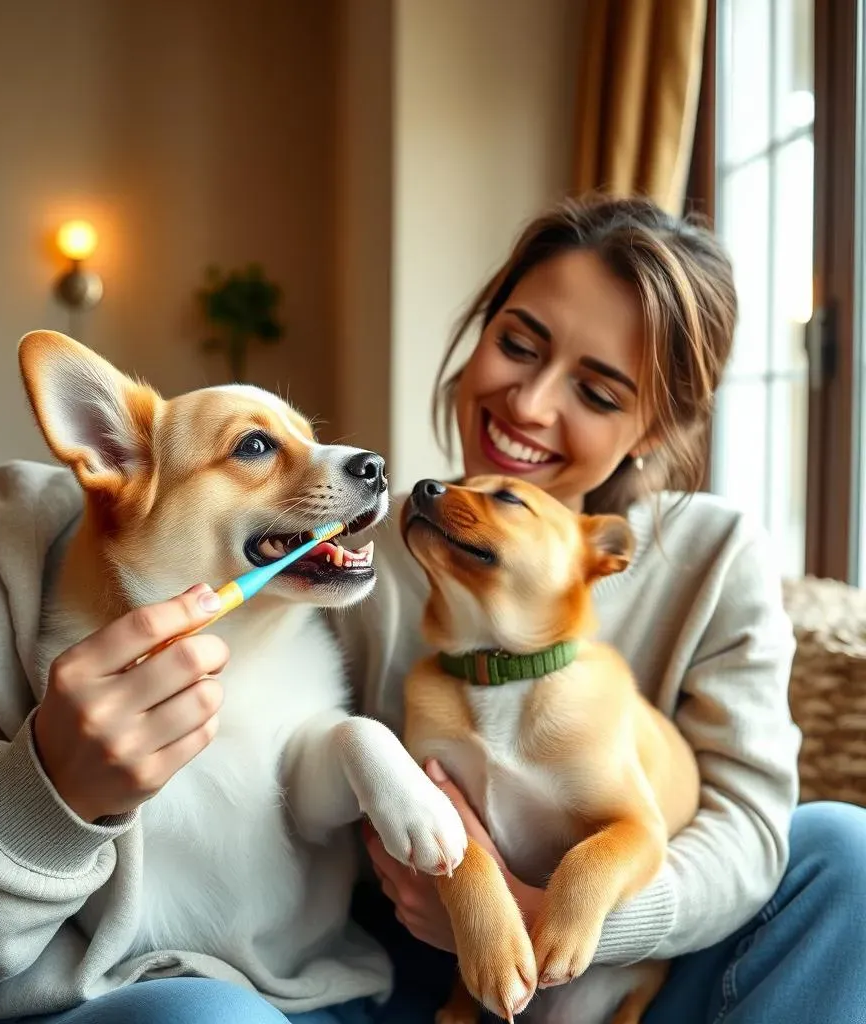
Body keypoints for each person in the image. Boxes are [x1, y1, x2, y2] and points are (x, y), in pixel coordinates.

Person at [331, 194, 866, 1023]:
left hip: (637, 964)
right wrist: (459, 899)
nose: (531, 405)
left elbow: (751, 831)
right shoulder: (358, 542)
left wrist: (567, 918)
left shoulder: (715, 555)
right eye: (517, 344)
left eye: (600, 393)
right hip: (401, 954)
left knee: (845, 852)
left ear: (658, 428)